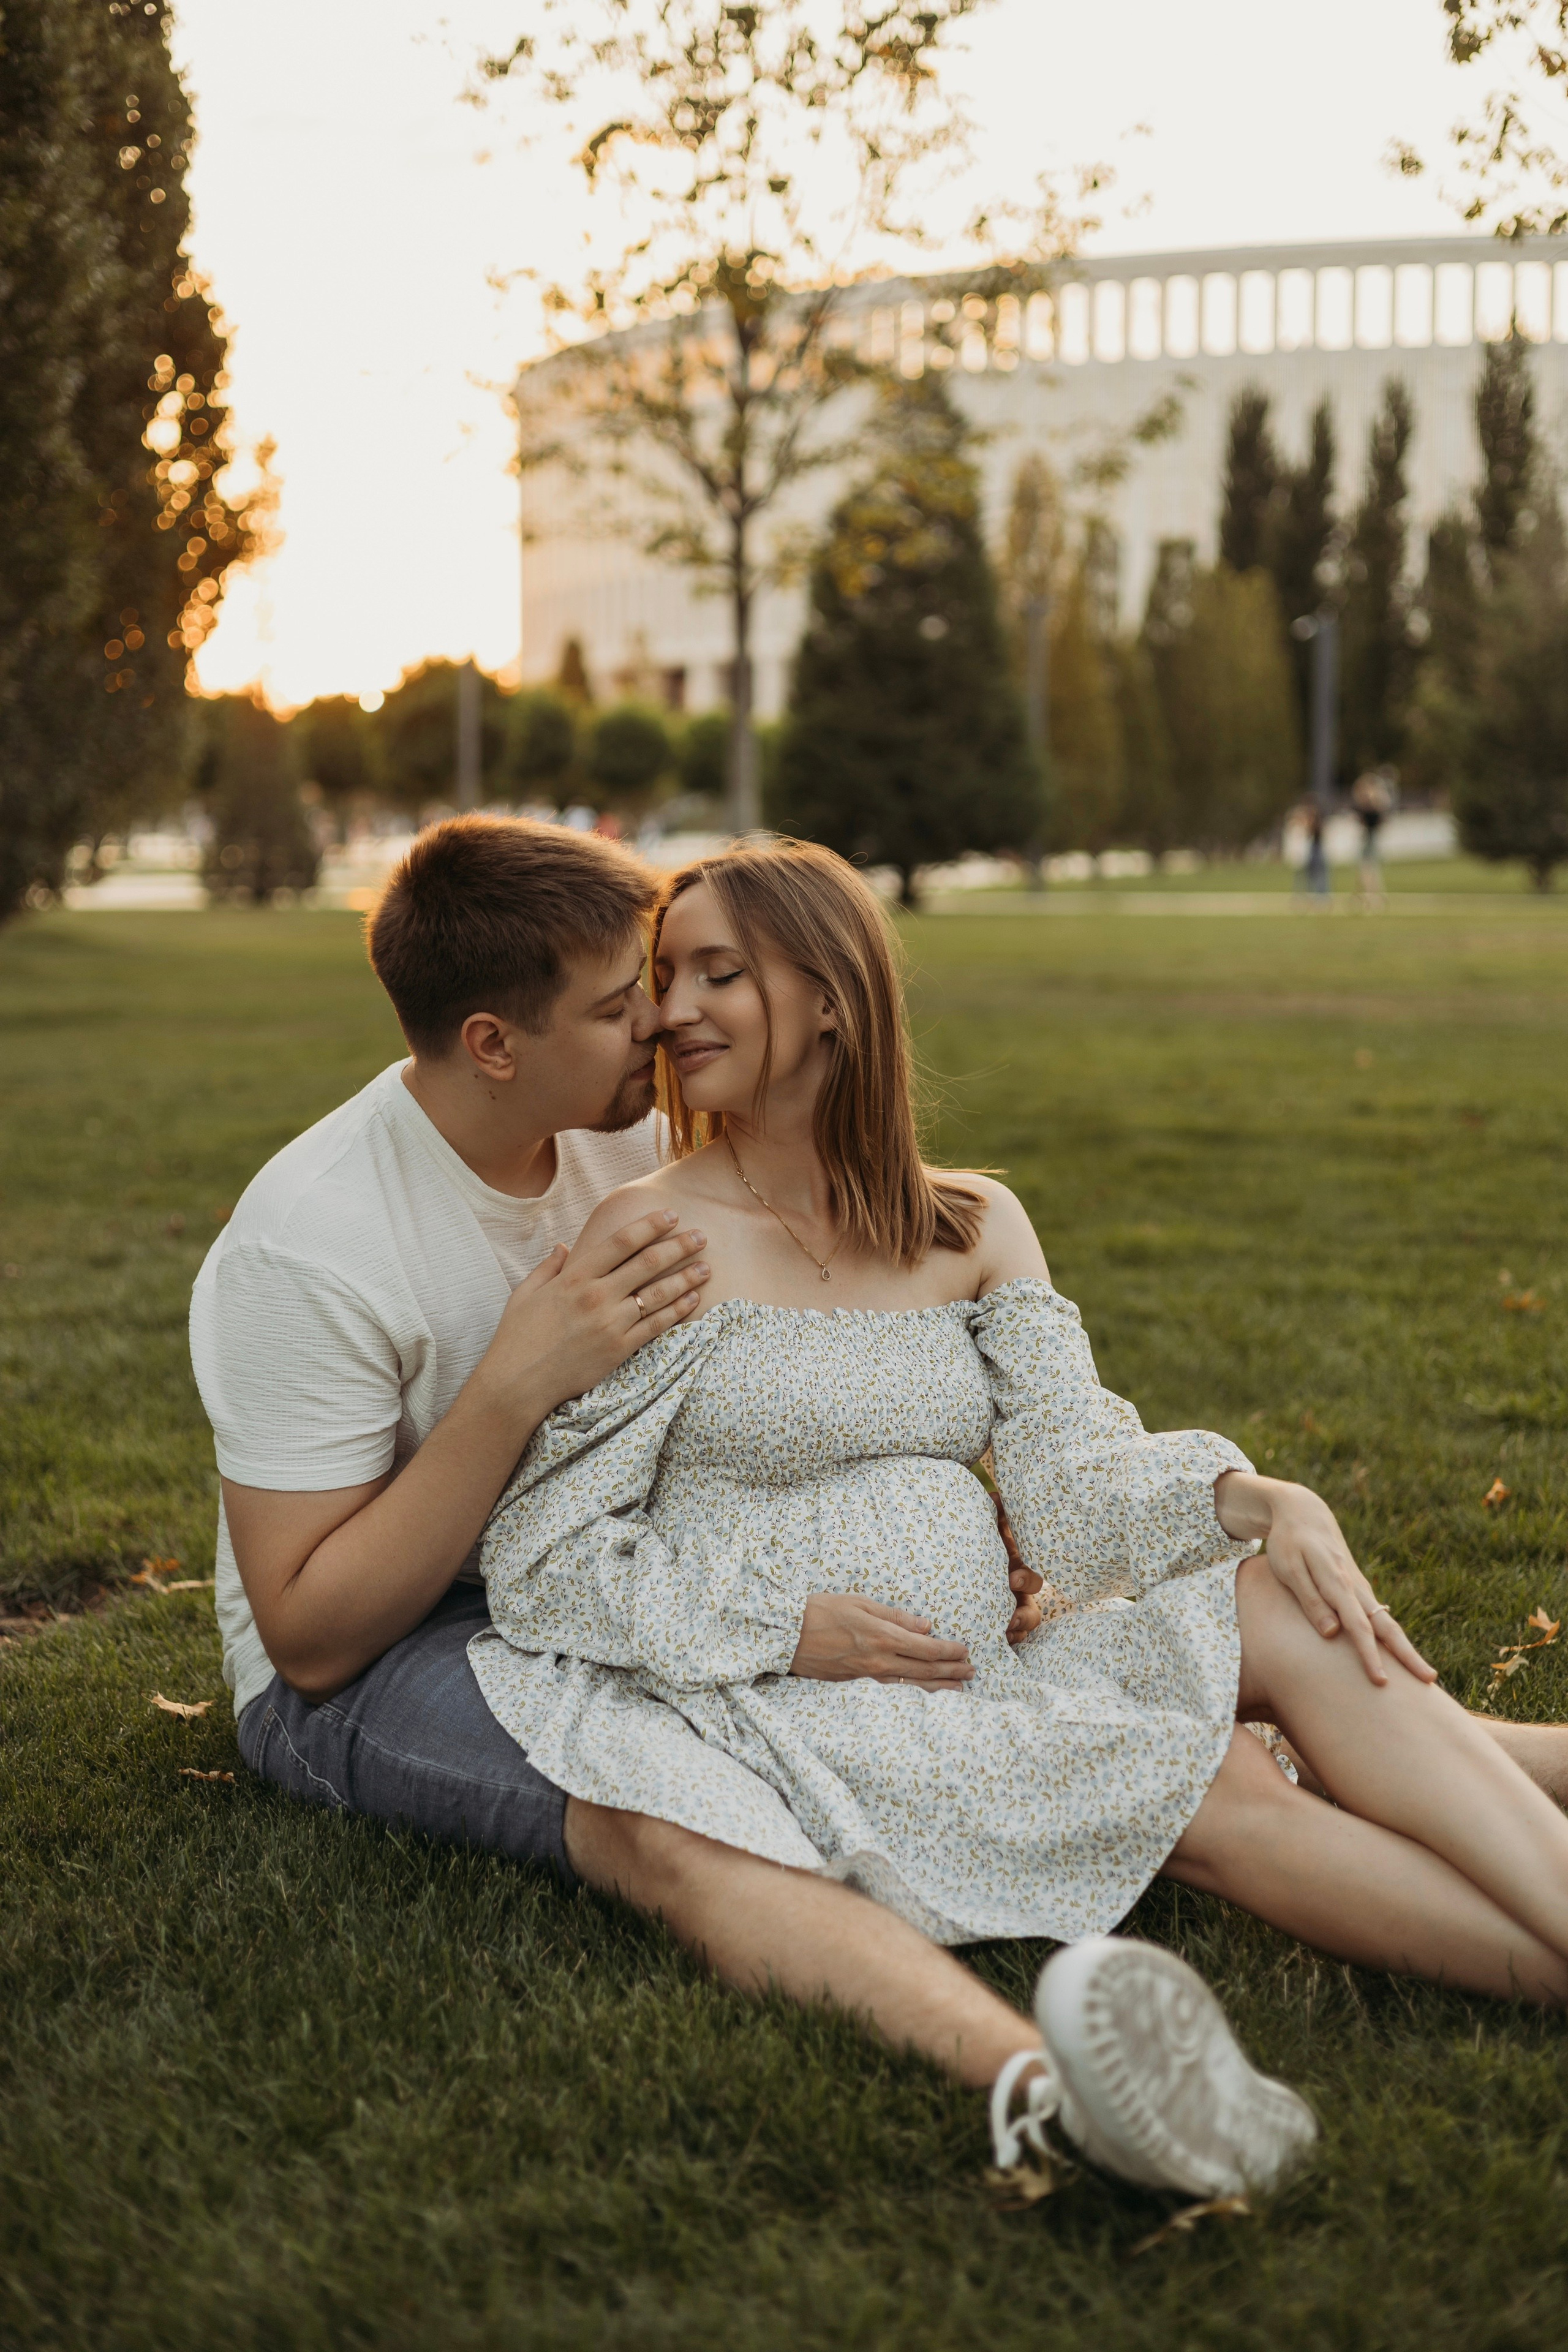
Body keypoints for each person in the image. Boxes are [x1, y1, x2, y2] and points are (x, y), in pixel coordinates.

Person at [192, 815, 1295, 2208]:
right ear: (492, 1043)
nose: (660, 1022)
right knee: (676, 1818)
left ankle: (1511, 1766)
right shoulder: (315, 1241)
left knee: (1165, 1645)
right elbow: (305, 1634)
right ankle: (1046, 2087)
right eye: (617, 1004)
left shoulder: (622, 1129)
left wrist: (975, 1521)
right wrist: (507, 1394)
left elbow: (814, 1324)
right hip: (397, 1637)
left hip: (613, 1568)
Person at [472, 837, 1568, 2180]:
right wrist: (782, 1624)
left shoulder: (971, 1222)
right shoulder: (652, 1238)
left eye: (719, 974)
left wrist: (1251, 1497)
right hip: (805, 1702)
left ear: (830, 996)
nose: (673, 1011)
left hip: (998, 1658)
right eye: (663, 976)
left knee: (1277, 1598)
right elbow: (541, 1557)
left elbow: (1066, 1486)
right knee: (1210, 1782)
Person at [1352, 768, 1393, 906]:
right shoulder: (1366, 804)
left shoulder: (1375, 804)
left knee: (1369, 868)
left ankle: (1373, 896)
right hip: (1367, 836)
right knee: (1366, 868)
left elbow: (1377, 818)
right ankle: (1367, 895)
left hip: (1371, 837)